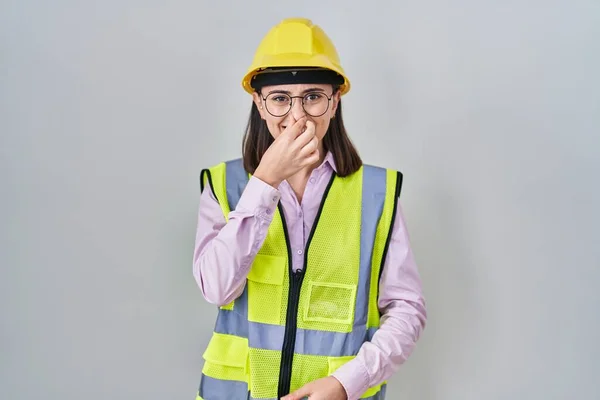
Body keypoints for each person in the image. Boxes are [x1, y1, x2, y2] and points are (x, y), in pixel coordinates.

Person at [192, 17, 427, 400]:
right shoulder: (225, 186)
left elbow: (407, 309)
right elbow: (217, 287)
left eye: (313, 96)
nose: (297, 116)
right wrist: (264, 182)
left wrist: (346, 384)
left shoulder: (377, 193)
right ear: (260, 104)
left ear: (334, 102)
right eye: (280, 98)